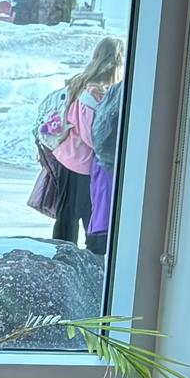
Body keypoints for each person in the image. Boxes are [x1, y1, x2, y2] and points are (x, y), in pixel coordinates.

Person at [48, 36, 124, 250]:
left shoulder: (86, 83)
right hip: (79, 164)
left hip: (71, 159)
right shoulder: (93, 91)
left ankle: (66, 257)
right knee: (80, 218)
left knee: (71, 218)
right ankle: (71, 258)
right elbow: (93, 136)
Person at [87, 68, 125, 257]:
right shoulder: (124, 92)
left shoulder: (116, 91)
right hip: (110, 163)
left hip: (102, 160)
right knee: (106, 213)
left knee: (101, 211)